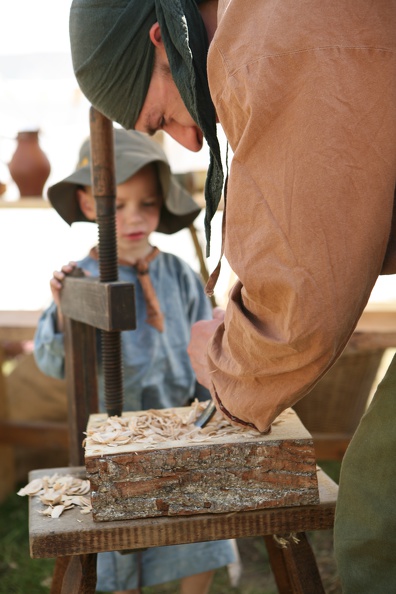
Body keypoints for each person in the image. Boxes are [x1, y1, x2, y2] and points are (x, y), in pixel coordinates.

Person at [68, 2, 396, 592]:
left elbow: (303, 294)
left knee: (383, 521)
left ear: (162, 40)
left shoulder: (269, 33)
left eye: (163, 116)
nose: (190, 142)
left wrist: (225, 364)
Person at [34, 127, 238, 594]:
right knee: (118, 549)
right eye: (118, 203)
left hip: (177, 429)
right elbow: (52, 362)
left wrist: (215, 409)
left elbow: (206, 350)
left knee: (199, 527)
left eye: (146, 203)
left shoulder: (179, 275)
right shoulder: (80, 280)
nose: (134, 217)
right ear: (89, 205)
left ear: (161, 204)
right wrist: (65, 312)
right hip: (109, 436)